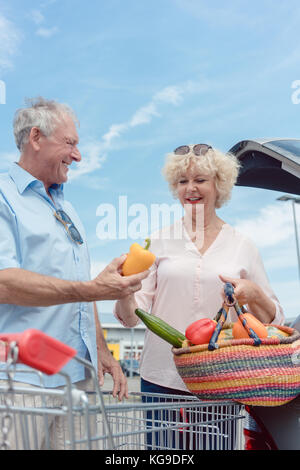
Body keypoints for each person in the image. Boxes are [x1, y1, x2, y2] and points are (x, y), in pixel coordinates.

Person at [0, 97, 149, 449]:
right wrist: (93, 289)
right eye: (70, 143)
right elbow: (4, 282)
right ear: (36, 137)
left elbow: (83, 289)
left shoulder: (65, 207)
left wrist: (101, 350)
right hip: (21, 382)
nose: (78, 156)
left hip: (78, 380)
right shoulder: (4, 196)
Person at [114, 143, 285, 449]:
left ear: (219, 185)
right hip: (162, 379)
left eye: (200, 180)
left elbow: (274, 319)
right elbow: (129, 317)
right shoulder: (160, 240)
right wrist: (123, 288)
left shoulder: (243, 245)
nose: (190, 189)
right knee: (162, 455)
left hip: (220, 379)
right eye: (182, 182)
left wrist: (253, 293)